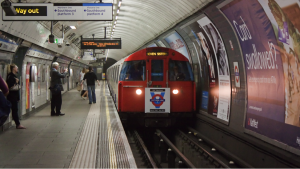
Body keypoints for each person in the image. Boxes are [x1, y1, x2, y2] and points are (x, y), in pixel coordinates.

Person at [6, 64, 26, 129]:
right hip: (11, 96)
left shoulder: (14, 76)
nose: (17, 69)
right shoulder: (10, 76)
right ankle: (18, 124)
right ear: (13, 68)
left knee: (14, 110)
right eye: (16, 68)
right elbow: (11, 87)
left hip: (14, 96)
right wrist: (17, 82)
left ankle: (17, 123)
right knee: (14, 110)